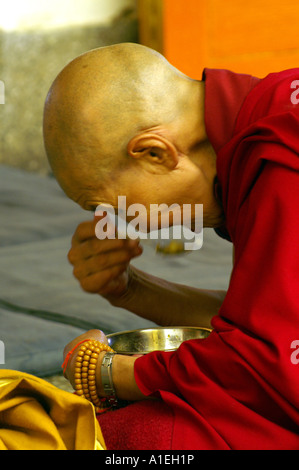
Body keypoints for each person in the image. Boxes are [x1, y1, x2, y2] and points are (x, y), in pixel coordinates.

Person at [43, 43, 299, 450]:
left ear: (154, 153)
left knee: (143, 435)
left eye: (112, 207)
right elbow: (269, 325)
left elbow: (274, 371)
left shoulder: (280, 165)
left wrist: (109, 374)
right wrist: (130, 289)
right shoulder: (268, 117)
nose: (123, 225)